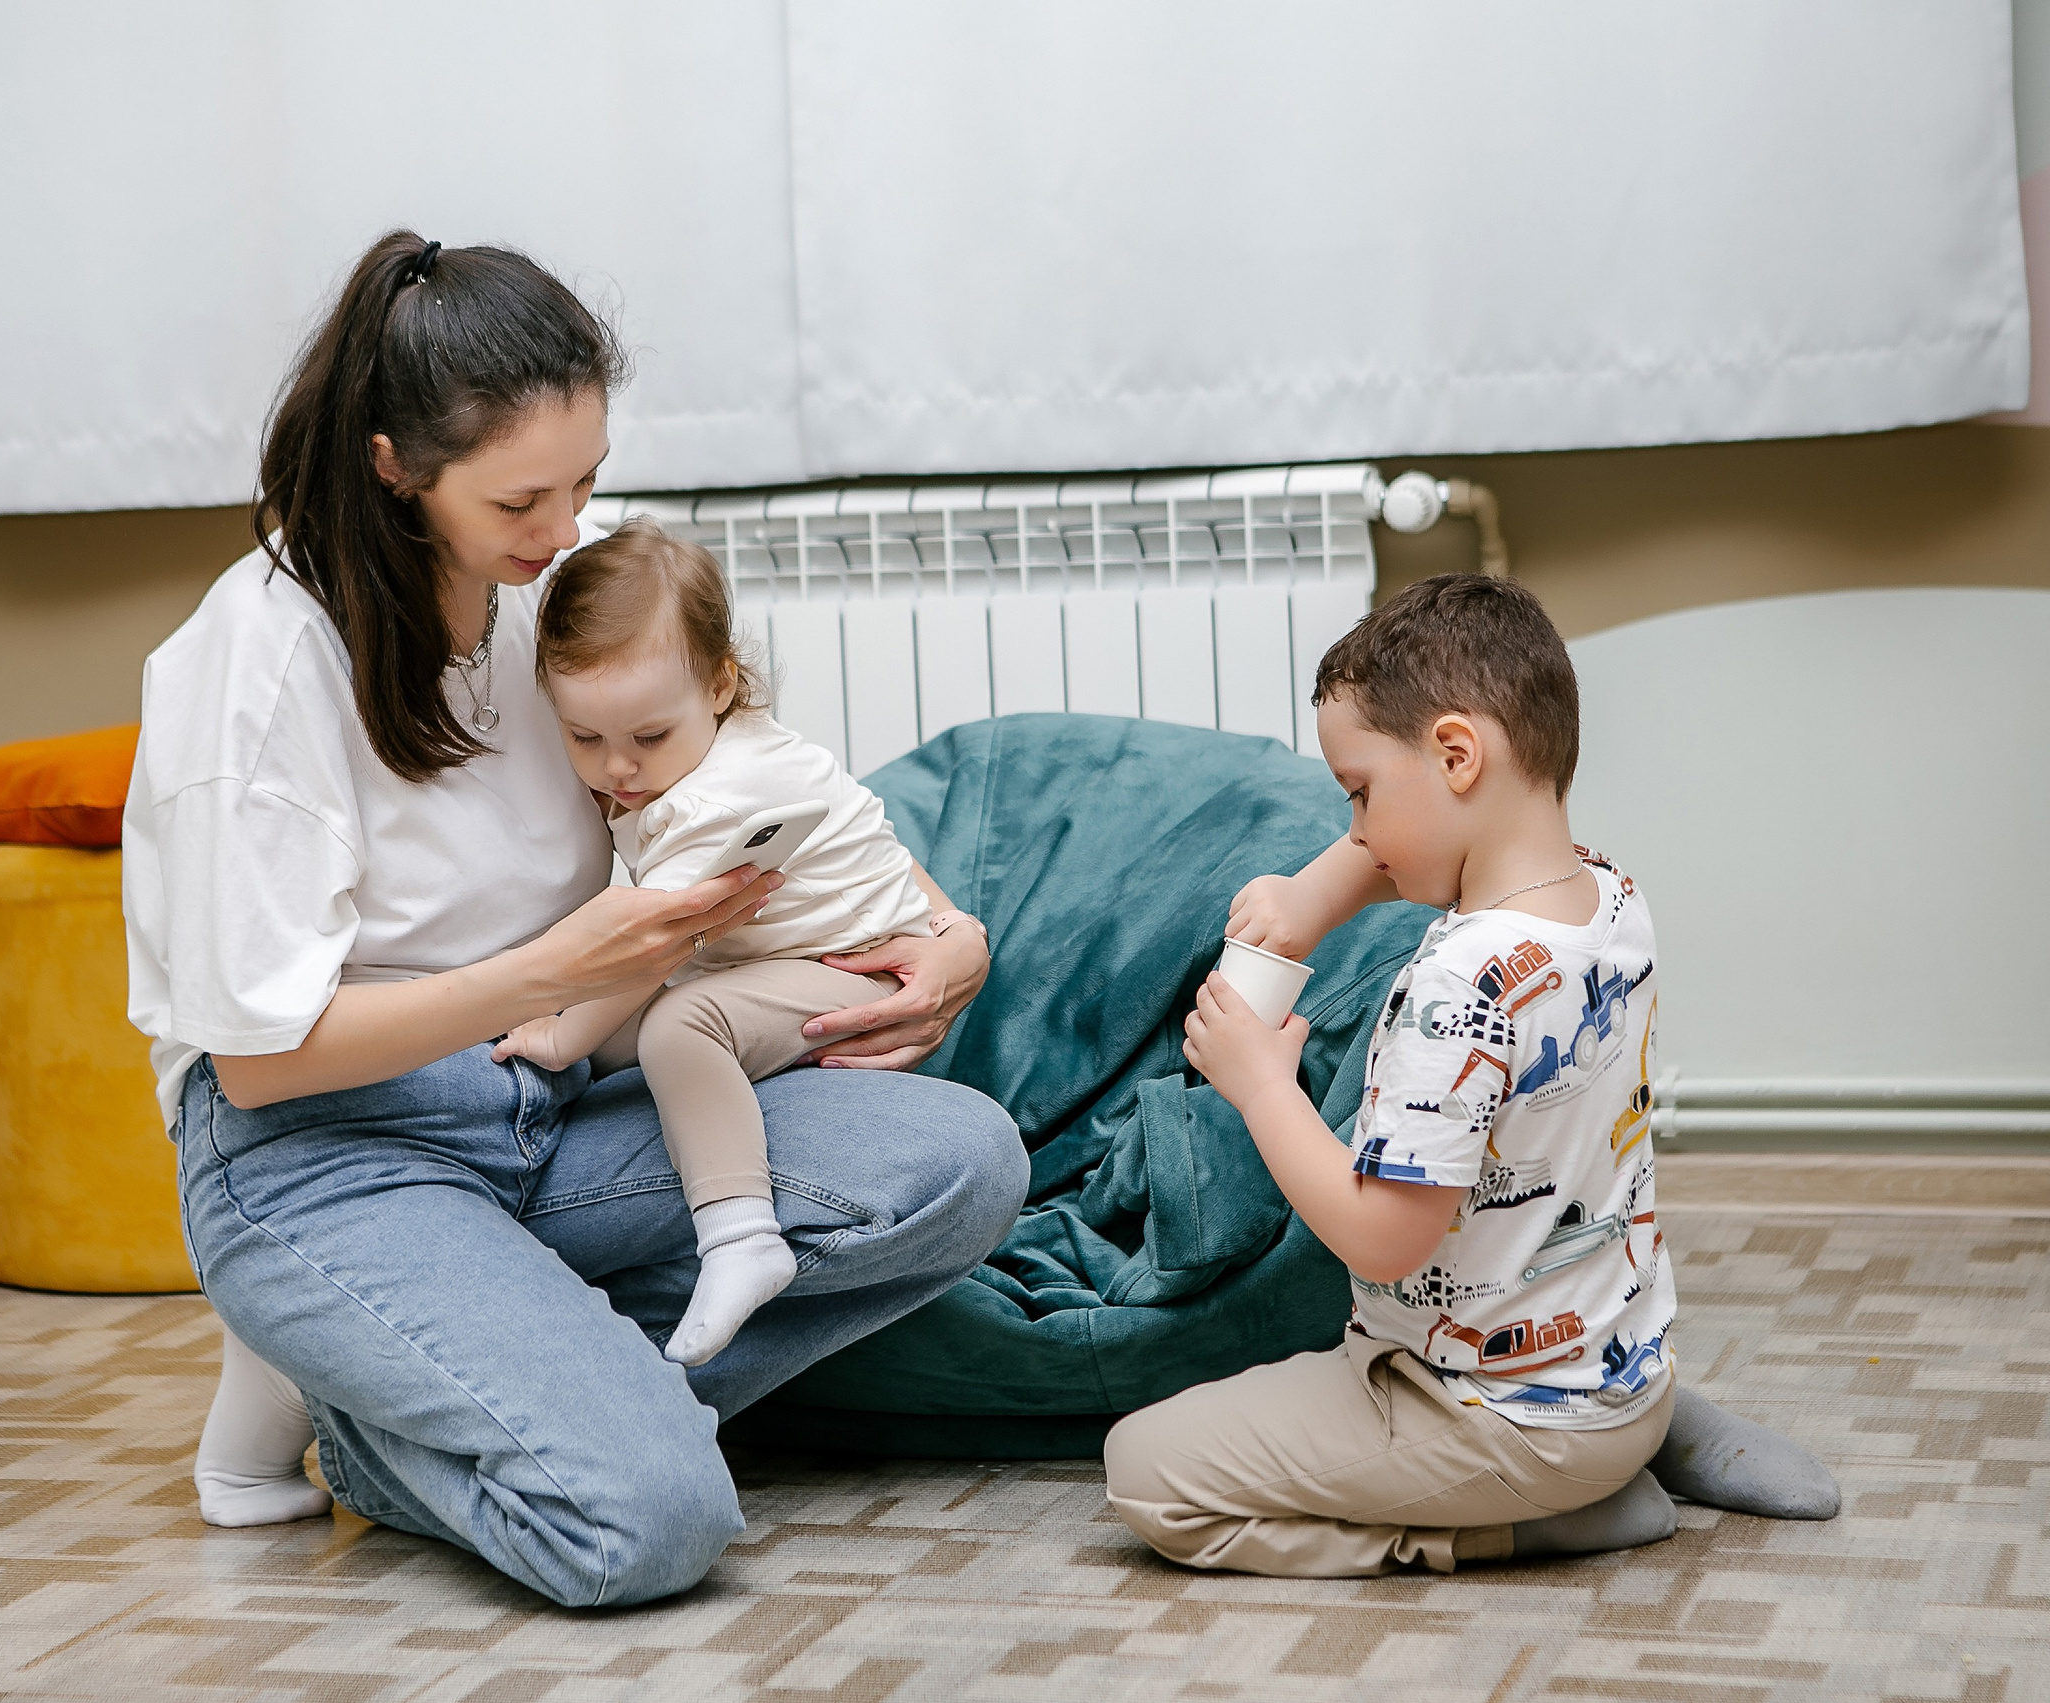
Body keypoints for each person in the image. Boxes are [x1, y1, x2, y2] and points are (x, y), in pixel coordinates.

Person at [122, 230, 1024, 1607]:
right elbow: (257, 1062)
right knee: (648, 1523)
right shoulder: (255, 670)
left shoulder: (557, 584)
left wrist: (951, 936)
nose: (563, 530)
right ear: (394, 466)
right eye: (523, 499)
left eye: (587, 481)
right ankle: (372, 1426)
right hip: (328, 1148)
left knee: (964, 1162)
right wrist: (552, 972)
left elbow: (763, 779)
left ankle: (481, 1353)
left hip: (559, 1109)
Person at [1104, 572, 1681, 1577]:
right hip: (1623, 1382)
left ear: (1457, 755)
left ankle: (1522, 1521)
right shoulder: (1607, 898)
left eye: (1360, 793)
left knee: (1146, 1471)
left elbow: (1383, 1238)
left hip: (1478, 1416)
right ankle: (1636, 1436)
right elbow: (1428, 847)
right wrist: (1310, 897)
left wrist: (1262, 1087)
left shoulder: (1458, 985)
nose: (1357, 831)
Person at [495, 519, 950, 1368]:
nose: (618, 769)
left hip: (854, 970)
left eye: (648, 738)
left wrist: (559, 1034)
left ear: (720, 684)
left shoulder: (719, 797)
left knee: (676, 1025)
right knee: (623, 1035)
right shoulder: (704, 746)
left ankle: (740, 1233)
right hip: (787, 961)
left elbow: (651, 944)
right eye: (585, 738)